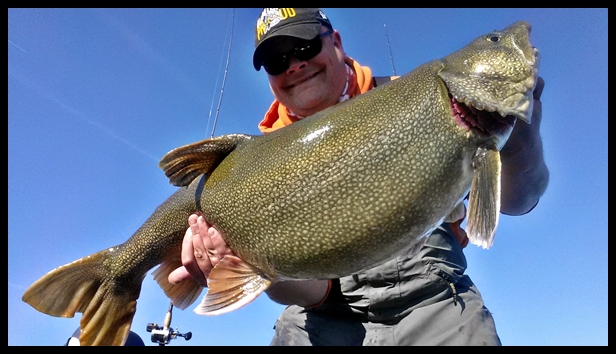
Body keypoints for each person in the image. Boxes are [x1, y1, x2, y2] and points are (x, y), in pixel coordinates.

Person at [168, 8, 549, 345]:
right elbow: (316, 292)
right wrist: (249, 265)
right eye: (276, 60)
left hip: (434, 303)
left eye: (304, 48)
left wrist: (517, 128)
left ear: (335, 41)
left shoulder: (412, 96)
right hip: (321, 318)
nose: (294, 65)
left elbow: (519, 201)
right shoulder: (255, 164)